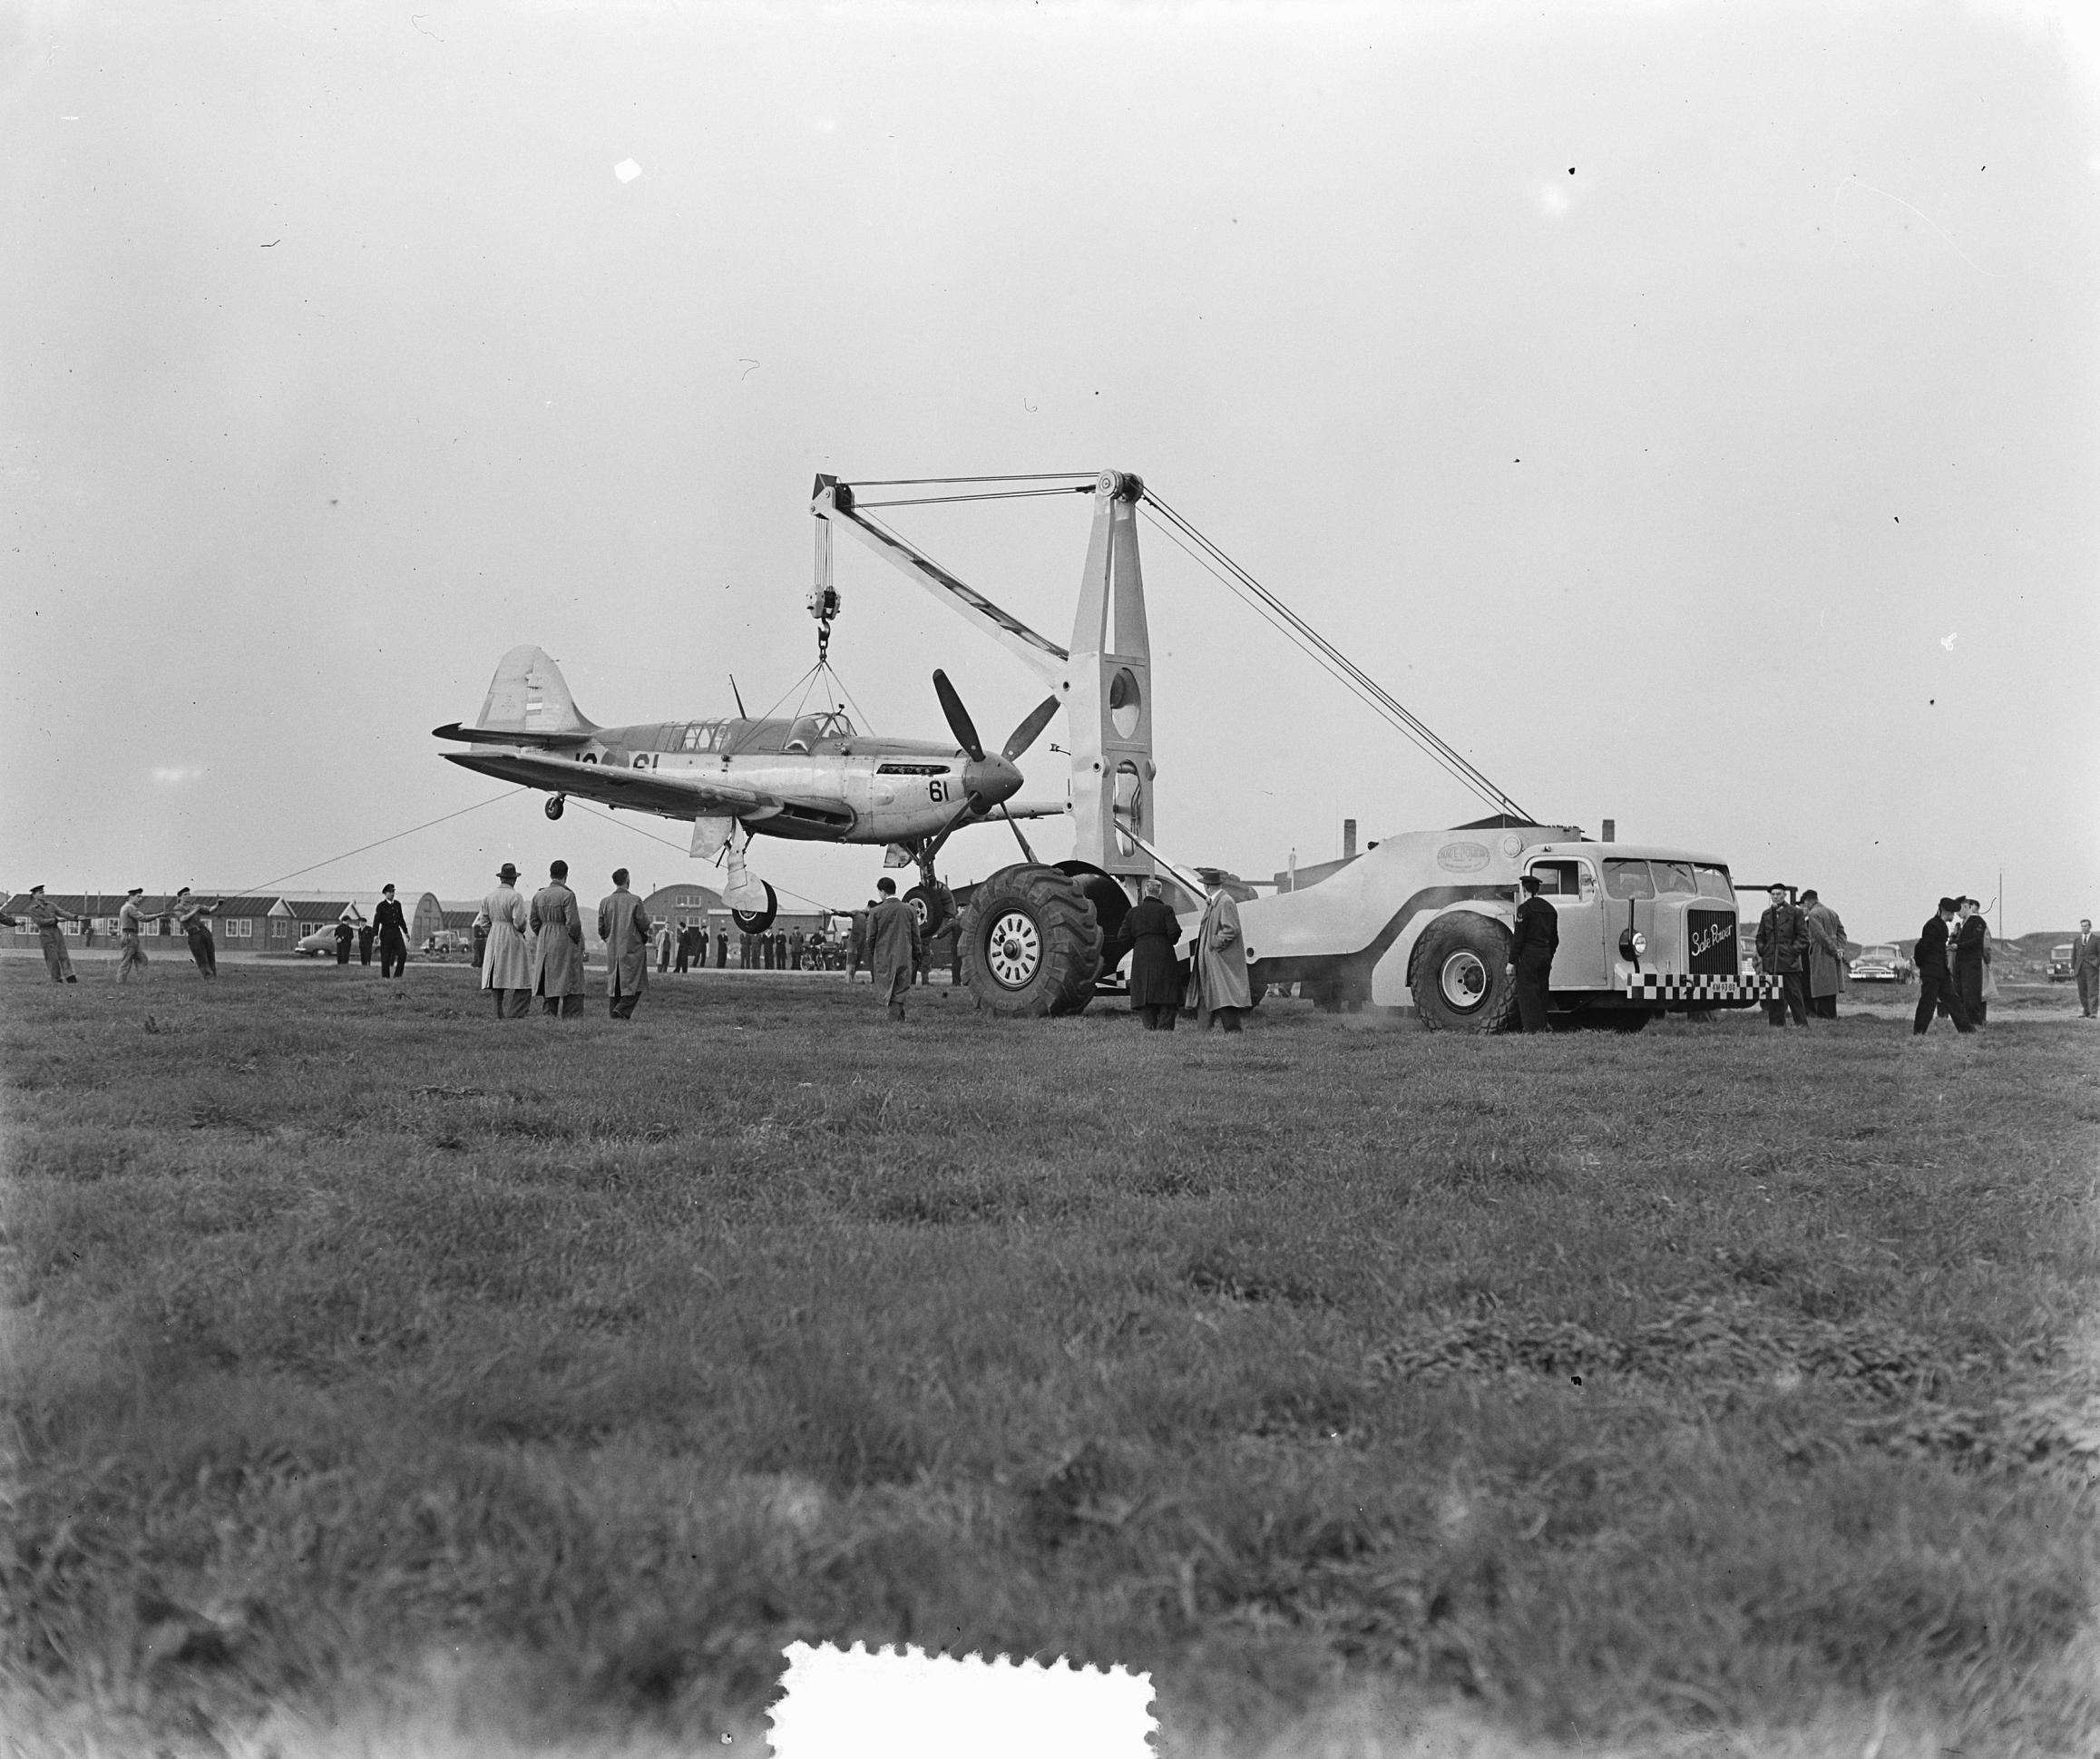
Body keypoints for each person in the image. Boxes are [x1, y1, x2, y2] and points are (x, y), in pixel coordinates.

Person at [1188, 875, 1253, 1031]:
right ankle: (1204, 1031)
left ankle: (1232, 1031)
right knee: (1210, 994)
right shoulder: (1218, 902)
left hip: (1219, 960)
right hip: (1213, 959)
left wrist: (1213, 943)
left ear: (1207, 887)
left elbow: (1230, 930)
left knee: (1225, 996)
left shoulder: (1224, 902)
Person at [1125, 876, 1185, 1031]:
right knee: (1166, 992)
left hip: (1141, 955)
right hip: (1164, 955)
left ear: (1145, 892)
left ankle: (1149, 1026)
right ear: (1160, 893)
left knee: (1145, 992)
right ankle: (1165, 1028)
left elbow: (1122, 936)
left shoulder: (1133, 913)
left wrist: (1138, 943)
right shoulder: (1166, 910)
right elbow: (1174, 933)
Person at [529, 859, 587, 1018]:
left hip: (544, 939)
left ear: (550, 874)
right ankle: (571, 1016)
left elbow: (533, 921)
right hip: (564, 939)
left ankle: (549, 1015)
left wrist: (543, 933)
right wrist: (576, 940)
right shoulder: (568, 895)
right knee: (571, 979)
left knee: (548, 979)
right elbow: (573, 924)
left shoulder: (538, 895)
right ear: (566, 875)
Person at [474, 863, 532, 1018]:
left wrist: (493, 932)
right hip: (512, 936)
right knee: (521, 976)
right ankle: (516, 1014)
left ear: (501, 878)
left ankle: (497, 1014)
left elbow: (483, 922)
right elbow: (519, 922)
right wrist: (519, 930)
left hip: (494, 936)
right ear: (514, 880)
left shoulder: (489, 897)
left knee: (497, 976)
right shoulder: (515, 896)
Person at [1912, 896, 1975, 1035]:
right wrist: (1923, 966)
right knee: (1928, 1003)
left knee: (1953, 1001)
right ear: (1945, 911)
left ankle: (1966, 1030)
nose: (1953, 916)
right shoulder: (1932, 926)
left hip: (1941, 972)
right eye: (1952, 913)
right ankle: (1919, 1031)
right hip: (1932, 972)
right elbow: (1923, 948)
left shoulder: (1940, 926)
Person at [1506, 874, 1558, 1032]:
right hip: (1545, 954)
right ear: (1538, 889)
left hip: (1528, 957)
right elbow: (1555, 939)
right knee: (1542, 991)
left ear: (1524, 889)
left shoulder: (1524, 909)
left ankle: (1532, 1028)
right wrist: (1549, 955)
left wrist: (1511, 962)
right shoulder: (1551, 909)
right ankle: (1544, 1025)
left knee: (1528, 993)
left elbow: (1519, 938)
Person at [598, 867, 652, 1020]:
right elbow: (644, 924)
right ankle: (622, 1010)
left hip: (613, 947)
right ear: (627, 880)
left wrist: (609, 939)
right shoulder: (635, 900)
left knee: (615, 983)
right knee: (636, 982)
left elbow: (601, 928)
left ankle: (614, 1012)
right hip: (632, 947)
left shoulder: (605, 902)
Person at [866, 876, 922, 1021]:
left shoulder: (876, 911)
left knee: (887, 986)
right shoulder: (910, 910)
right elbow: (916, 935)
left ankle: (893, 1017)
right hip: (904, 953)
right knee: (901, 986)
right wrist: (917, 954)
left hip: (883, 955)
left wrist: (873, 952)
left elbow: (870, 937)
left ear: (883, 892)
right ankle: (898, 1016)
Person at [1754, 884, 1810, 1027]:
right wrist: (1764, 950)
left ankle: (1801, 1024)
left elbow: (1803, 937)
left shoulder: (1795, 913)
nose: (1775, 897)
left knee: (1794, 995)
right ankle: (1776, 1025)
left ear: (1785, 895)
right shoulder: (1766, 914)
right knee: (1774, 996)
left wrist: (1792, 951)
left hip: (1789, 963)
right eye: (1773, 894)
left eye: (1778, 894)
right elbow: (1760, 936)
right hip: (1772, 961)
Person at [1800, 888, 1848, 1021]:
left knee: (1820, 983)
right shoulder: (1832, 912)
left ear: (1808, 902)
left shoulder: (1814, 914)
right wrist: (1840, 949)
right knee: (1831, 985)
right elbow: (1841, 933)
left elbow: (1820, 936)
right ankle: (1831, 1014)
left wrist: (1833, 950)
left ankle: (1823, 1015)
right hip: (1833, 954)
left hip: (1820, 952)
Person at [20, 885, 83, 983]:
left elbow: (62, 912)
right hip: (46, 934)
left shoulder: (51, 905)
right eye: (40, 893)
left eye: (43, 892)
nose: (43, 894)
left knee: (63, 955)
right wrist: (56, 920)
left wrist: (75, 917)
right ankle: (57, 979)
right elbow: (40, 922)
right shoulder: (32, 909)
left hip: (56, 932)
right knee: (52, 959)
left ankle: (70, 977)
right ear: (34, 895)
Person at [1951, 897, 1988, 1026]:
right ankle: (1966, 1023)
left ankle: (1976, 1023)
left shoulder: (1977, 921)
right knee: (1961, 994)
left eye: (1959, 910)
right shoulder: (1963, 924)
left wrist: (1958, 946)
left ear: (1966, 906)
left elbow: (1977, 941)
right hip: (1961, 964)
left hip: (1971, 965)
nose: (1957, 914)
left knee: (1971, 996)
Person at [170, 888, 221, 977]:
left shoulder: (195, 905)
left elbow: (209, 910)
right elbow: (183, 918)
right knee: (201, 956)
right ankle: (208, 977)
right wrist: (194, 910)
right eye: (185, 894)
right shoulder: (178, 908)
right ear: (180, 897)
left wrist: (217, 905)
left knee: (210, 954)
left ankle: (214, 975)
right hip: (194, 934)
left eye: (189, 894)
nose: (188, 896)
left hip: (204, 931)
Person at [117, 887, 155, 983]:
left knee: (142, 959)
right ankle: (120, 982)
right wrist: (158, 915)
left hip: (131, 936)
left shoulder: (127, 907)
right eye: (138, 896)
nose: (140, 899)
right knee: (127, 961)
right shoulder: (130, 907)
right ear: (131, 897)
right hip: (130, 937)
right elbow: (143, 918)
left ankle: (143, 981)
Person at [374, 884, 410, 977]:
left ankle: (398, 975)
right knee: (385, 957)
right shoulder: (381, 906)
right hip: (386, 933)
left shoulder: (397, 905)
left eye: (393, 892)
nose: (392, 894)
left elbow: (401, 919)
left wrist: (406, 932)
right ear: (385, 893)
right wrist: (375, 935)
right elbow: (376, 922)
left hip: (396, 933)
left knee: (403, 954)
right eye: (390, 892)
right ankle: (385, 977)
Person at [2075, 919, 2099, 1019]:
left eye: (2086, 926)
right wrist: (2073, 967)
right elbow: (2074, 956)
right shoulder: (2077, 940)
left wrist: (2096, 963)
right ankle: (2086, 1011)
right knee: (2082, 991)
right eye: (2082, 926)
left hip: (2092, 968)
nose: (2084, 928)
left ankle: (2093, 1012)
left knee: (2092, 990)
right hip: (2080, 968)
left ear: (2090, 927)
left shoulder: (2096, 939)